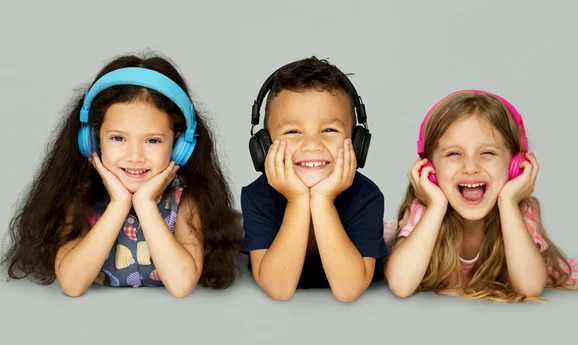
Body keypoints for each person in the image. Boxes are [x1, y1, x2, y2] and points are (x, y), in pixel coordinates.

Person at [1, 53, 242, 297]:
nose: (135, 156)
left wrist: (146, 204)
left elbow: (181, 285)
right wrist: (119, 204)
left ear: (180, 146)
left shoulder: (186, 200)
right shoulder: (80, 196)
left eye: (153, 140)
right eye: (118, 138)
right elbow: (72, 285)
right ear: (92, 139)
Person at [384, 90, 578, 303]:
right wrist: (437, 205)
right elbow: (402, 285)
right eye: (454, 154)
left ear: (515, 165)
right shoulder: (425, 209)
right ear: (429, 167)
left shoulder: (519, 211)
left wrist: (507, 202)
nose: (470, 167)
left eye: (487, 153)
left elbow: (530, 287)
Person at [241, 57, 388, 302]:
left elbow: (349, 290)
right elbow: (278, 289)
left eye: (329, 130)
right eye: (292, 132)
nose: (312, 145)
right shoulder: (258, 196)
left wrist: (322, 200)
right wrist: (298, 200)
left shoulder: (366, 196)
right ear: (263, 146)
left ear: (357, 141)